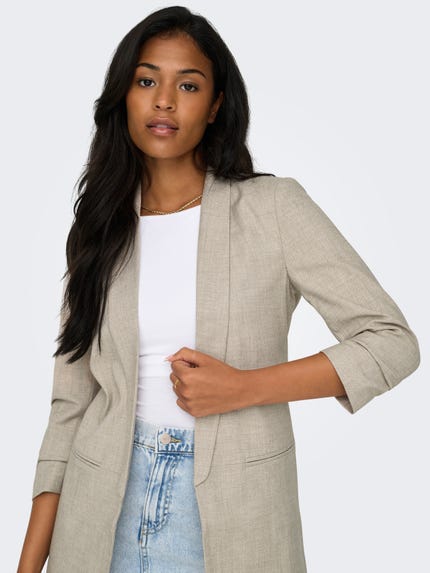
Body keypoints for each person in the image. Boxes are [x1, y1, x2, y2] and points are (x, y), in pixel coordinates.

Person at [17, 6, 421, 573]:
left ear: (215, 106)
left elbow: (391, 342)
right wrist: (29, 563)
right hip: (97, 508)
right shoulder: (98, 227)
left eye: (188, 85)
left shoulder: (273, 208)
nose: (164, 101)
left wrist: (245, 388)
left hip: (234, 513)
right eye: (146, 81)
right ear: (123, 96)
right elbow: (70, 405)